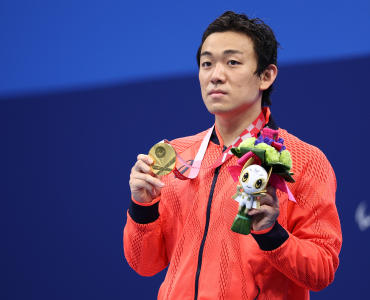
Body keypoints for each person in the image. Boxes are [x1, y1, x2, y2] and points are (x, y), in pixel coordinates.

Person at [123, 11, 342, 300]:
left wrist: (271, 233)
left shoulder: (304, 160)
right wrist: (143, 207)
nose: (216, 75)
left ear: (266, 76)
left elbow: (321, 270)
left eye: (232, 62)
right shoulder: (176, 154)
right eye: (206, 63)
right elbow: (144, 264)